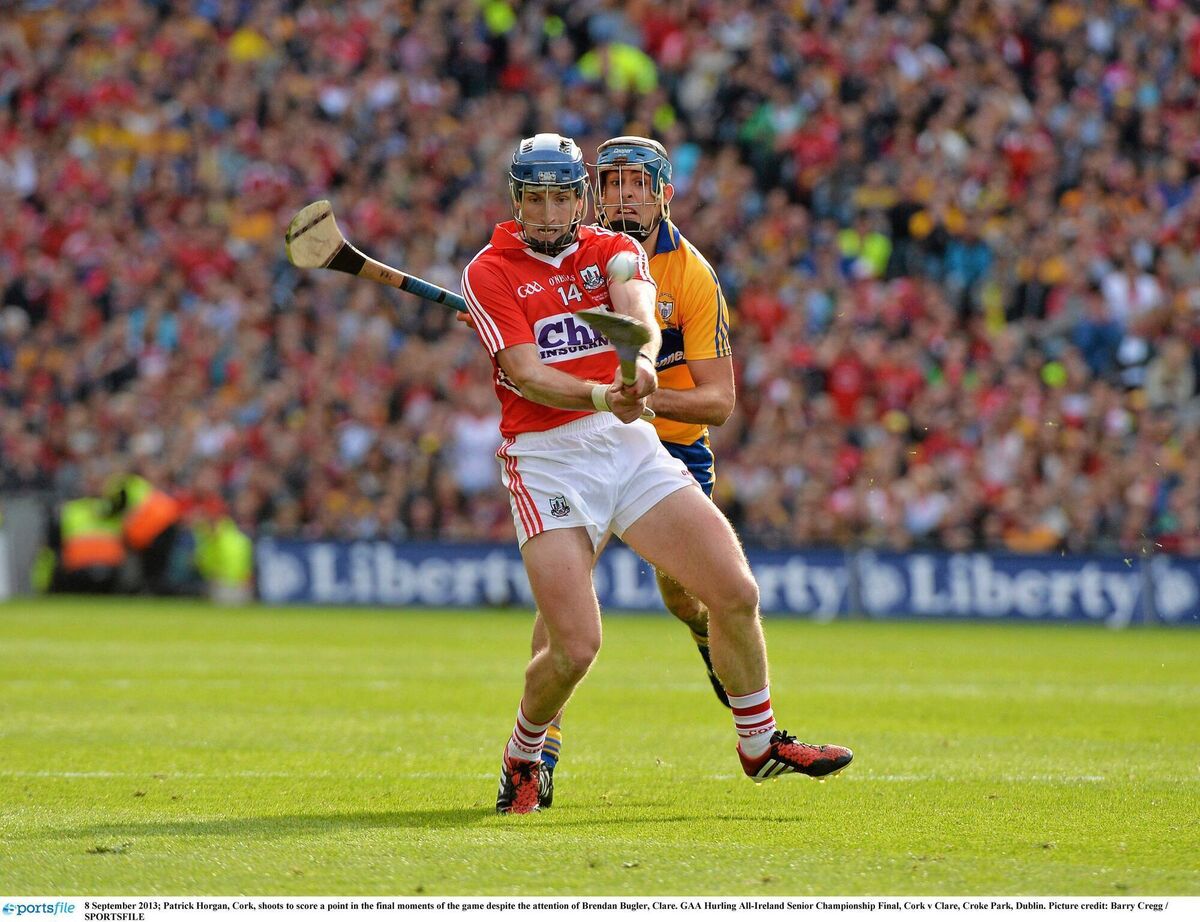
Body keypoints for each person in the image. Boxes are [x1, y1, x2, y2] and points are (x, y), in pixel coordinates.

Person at [461, 133, 852, 814]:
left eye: (561, 196)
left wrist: (640, 365)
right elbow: (524, 373)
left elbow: (636, 299)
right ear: (517, 199)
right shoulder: (489, 271)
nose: (550, 212)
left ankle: (758, 745)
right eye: (536, 197)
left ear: (577, 198)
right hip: (548, 460)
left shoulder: (614, 249)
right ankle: (526, 755)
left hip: (629, 443)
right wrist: (593, 394)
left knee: (731, 592)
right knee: (575, 646)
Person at [533, 136, 739, 802]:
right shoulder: (576, 256)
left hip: (672, 445)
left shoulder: (692, 276)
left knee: (684, 594)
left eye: (637, 185)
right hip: (586, 438)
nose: (624, 197)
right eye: (612, 184)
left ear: (664, 193)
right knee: (565, 590)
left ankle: (710, 639)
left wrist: (649, 401)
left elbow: (721, 401)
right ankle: (539, 753)